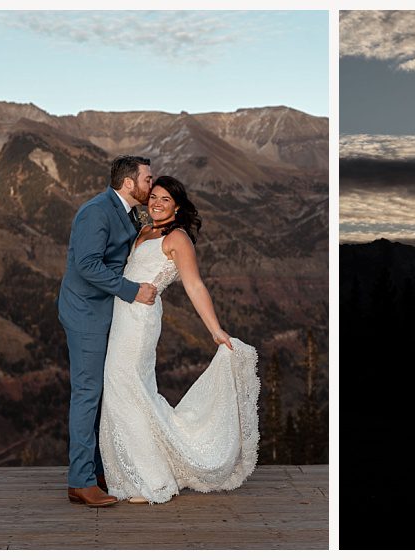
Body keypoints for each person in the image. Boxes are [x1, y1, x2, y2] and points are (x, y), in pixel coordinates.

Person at [98, 175, 259, 504]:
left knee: (126, 388)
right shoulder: (145, 228)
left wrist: (215, 330)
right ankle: (135, 473)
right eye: (153, 196)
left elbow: (195, 285)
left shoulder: (178, 238)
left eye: (165, 200)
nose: (156, 203)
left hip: (139, 321)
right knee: (127, 391)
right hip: (121, 316)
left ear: (178, 207)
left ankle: (154, 480)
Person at [59, 155, 158, 507]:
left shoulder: (128, 213)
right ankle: (80, 481)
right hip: (86, 313)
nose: (152, 183)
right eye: (148, 178)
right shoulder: (96, 211)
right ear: (129, 183)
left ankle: (98, 470)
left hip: (107, 311)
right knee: (87, 393)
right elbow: (86, 265)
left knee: (103, 393)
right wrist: (132, 291)